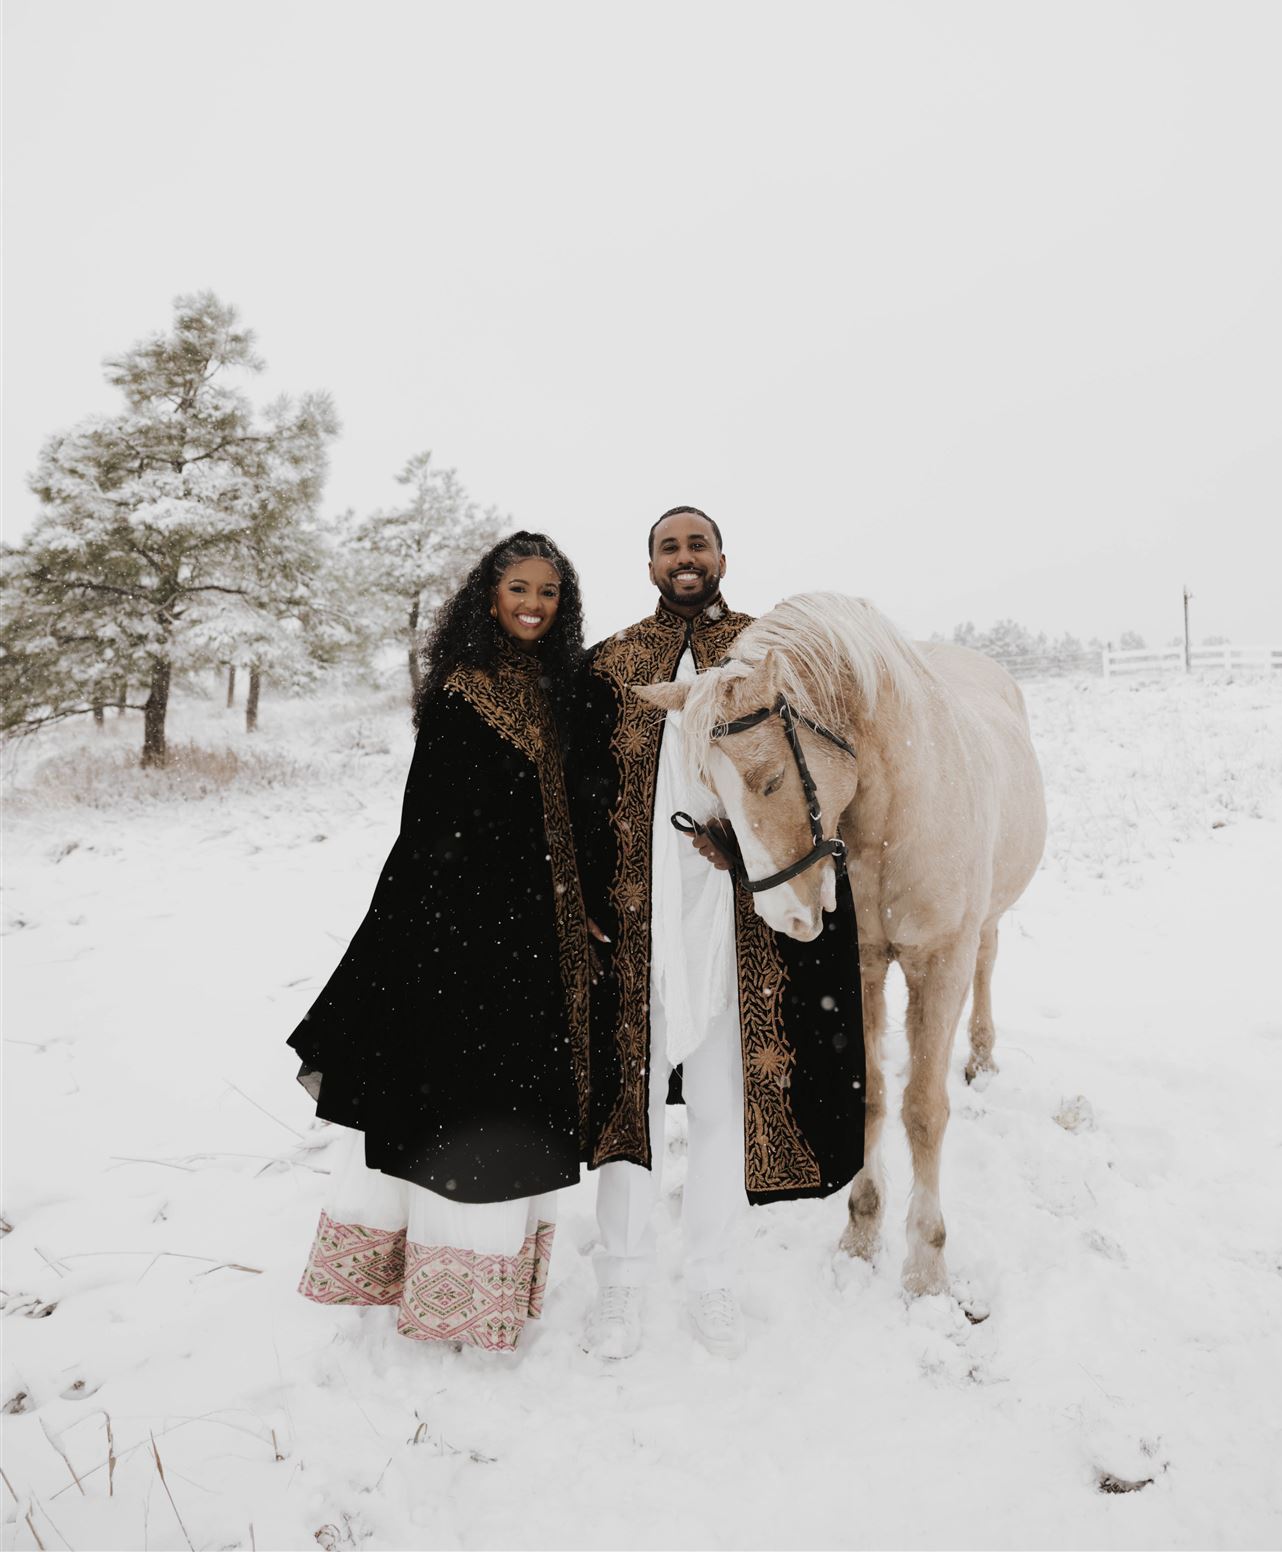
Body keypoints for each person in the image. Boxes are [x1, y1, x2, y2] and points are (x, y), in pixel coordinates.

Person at [573, 506, 865, 1359]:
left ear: (722, 556)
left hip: (735, 924)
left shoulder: (766, 658)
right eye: (669, 547)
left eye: (697, 543)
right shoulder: (614, 666)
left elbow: (811, 777)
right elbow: (582, 789)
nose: (685, 557)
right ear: (651, 565)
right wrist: (590, 894)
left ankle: (713, 1280)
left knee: (721, 1110)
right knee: (628, 1115)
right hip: (638, 924)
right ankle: (619, 1286)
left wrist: (743, 851)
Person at [288, 532, 590, 1352]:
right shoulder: (466, 690)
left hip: (535, 940)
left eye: (548, 593)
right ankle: (436, 1289)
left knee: (508, 1107)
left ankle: (485, 1284)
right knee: (459, 1101)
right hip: (463, 936)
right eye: (518, 589)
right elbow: (428, 829)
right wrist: (440, 937)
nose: (533, 605)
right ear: (487, 597)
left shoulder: (558, 688)